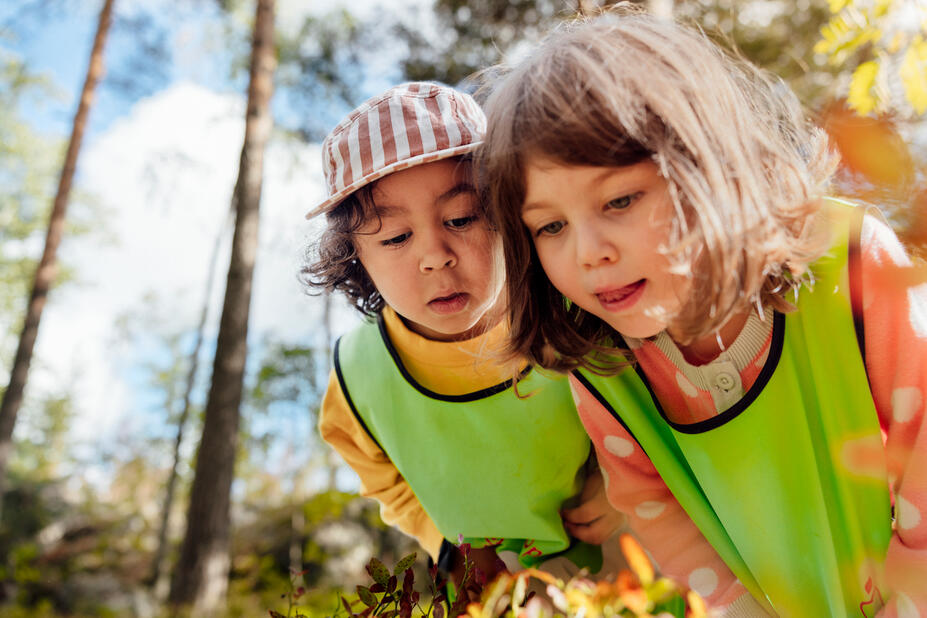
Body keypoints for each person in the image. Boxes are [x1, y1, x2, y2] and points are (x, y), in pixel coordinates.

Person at [478, 7, 927, 618]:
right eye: (550, 226)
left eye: (619, 199)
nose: (589, 253)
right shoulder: (609, 371)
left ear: (706, 165)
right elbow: (652, 503)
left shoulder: (848, 261)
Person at [303, 81, 626, 585]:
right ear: (355, 258)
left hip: (622, 554)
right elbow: (383, 480)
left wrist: (621, 485)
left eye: (461, 217)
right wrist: (443, 545)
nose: (435, 255)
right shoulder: (359, 378)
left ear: (508, 212)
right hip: (492, 580)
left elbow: (651, 401)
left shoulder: (573, 306)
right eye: (395, 237)